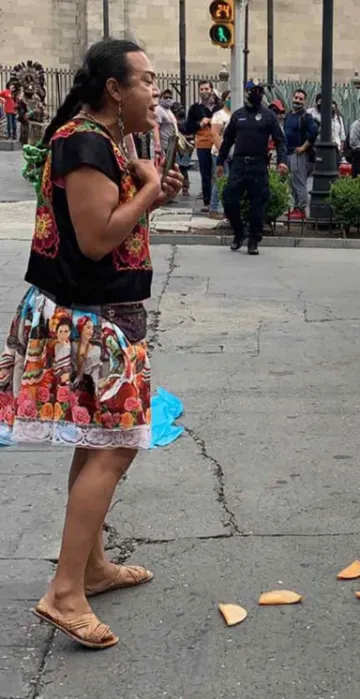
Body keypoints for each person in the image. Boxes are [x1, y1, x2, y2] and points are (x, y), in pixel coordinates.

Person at [0, 38, 183, 651]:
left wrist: (151, 188)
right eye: (148, 81)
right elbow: (100, 237)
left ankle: (92, 568)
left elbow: (109, 224)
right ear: (114, 88)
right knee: (115, 449)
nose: (156, 93)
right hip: (91, 321)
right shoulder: (84, 142)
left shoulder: (105, 142)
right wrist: (150, 190)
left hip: (100, 314)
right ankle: (65, 592)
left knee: (96, 442)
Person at [217, 80, 288, 255]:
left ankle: (254, 240)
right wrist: (220, 162)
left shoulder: (268, 116)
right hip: (239, 164)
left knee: (258, 204)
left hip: (258, 165)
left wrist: (282, 161)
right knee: (229, 199)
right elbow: (227, 141)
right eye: (253, 91)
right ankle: (239, 233)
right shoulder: (238, 115)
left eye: (260, 92)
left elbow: (280, 141)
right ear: (247, 92)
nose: (257, 94)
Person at [185, 80, 220, 212]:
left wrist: (210, 121)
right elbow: (188, 128)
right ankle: (207, 202)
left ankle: (217, 201)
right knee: (205, 174)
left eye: (206, 89)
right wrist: (200, 124)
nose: (204, 91)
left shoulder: (219, 107)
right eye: (202, 89)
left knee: (218, 173)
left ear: (211, 90)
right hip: (203, 144)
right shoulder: (195, 108)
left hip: (218, 144)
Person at [284, 88, 319, 220]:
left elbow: (314, 132)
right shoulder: (288, 115)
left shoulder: (306, 117)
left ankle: (301, 209)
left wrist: (304, 147)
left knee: (299, 182)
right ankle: (295, 208)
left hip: (299, 154)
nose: (297, 101)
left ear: (304, 101)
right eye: (296, 98)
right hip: (288, 153)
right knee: (292, 182)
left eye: (301, 99)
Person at [207, 90, 232, 220]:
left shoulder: (237, 114)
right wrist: (222, 152)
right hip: (219, 153)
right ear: (224, 99)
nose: (231, 100)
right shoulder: (219, 115)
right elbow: (215, 134)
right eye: (229, 97)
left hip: (233, 153)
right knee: (221, 180)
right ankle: (214, 208)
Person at [172, 101, 192, 196]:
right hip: (181, 147)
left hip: (182, 147)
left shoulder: (180, 122)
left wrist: (182, 137)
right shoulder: (181, 122)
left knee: (181, 167)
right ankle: (184, 188)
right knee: (182, 168)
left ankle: (184, 188)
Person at [152, 89, 177, 165]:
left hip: (171, 144)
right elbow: (155, 127)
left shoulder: (169, 110)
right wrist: (158, 144)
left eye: (170, 97)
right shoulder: (158, 110)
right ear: (161, 98)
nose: (168, 99)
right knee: (164, 166)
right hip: (164, 145)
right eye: (165, 97)